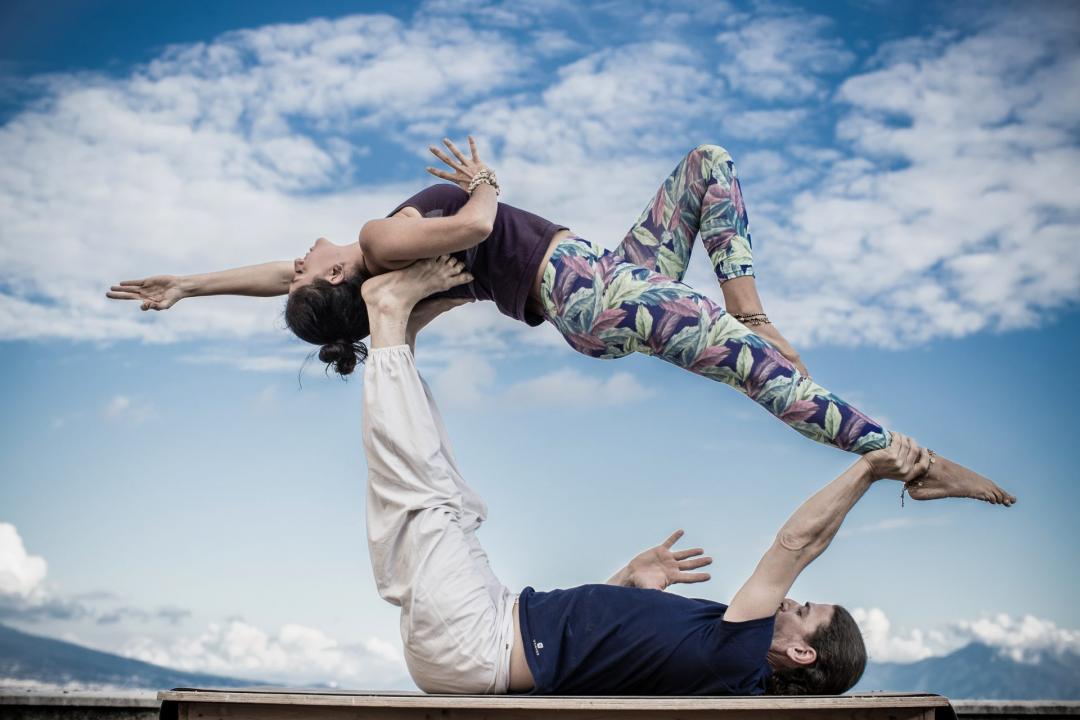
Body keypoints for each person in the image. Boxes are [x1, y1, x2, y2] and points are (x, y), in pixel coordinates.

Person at [105, 137, 1017, 502]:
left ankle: (757, 315)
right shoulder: (376, 239)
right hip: (594, 293)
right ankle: (912, 462)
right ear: (330, 276)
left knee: (707, 166)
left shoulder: (367, 262)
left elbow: (282, 279)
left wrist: (189, 283)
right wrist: (488, 180)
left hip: (607, 277)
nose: (294, 253)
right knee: (751, 366)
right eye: (303, 267)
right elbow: (474, 222)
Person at [357, 256, 1011, 696]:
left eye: (805, 611)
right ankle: (399, 337)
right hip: (475, 634)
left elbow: (795, 546)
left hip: (477, 635)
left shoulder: (741, 653)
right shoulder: (723, 656)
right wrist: (631, 583)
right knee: (438, 490)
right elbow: (587, 657)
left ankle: (387, 319)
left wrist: (867, 468)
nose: (791, 602)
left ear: (803, 654)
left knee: (430, 495)